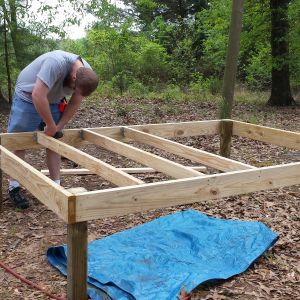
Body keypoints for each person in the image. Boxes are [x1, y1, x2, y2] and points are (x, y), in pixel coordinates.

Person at [7, 50, 99, 209]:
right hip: (28, 96)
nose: (75, 93)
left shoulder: (86, 74)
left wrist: (57, 127)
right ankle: (14, 186)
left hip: (54, 99)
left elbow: (75, 103)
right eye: (74, 88)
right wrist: (50, 124)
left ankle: (56, 184)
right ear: (74, 77)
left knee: (54, 140)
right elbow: (37, 95)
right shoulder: (55, 63)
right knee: (20, 141)